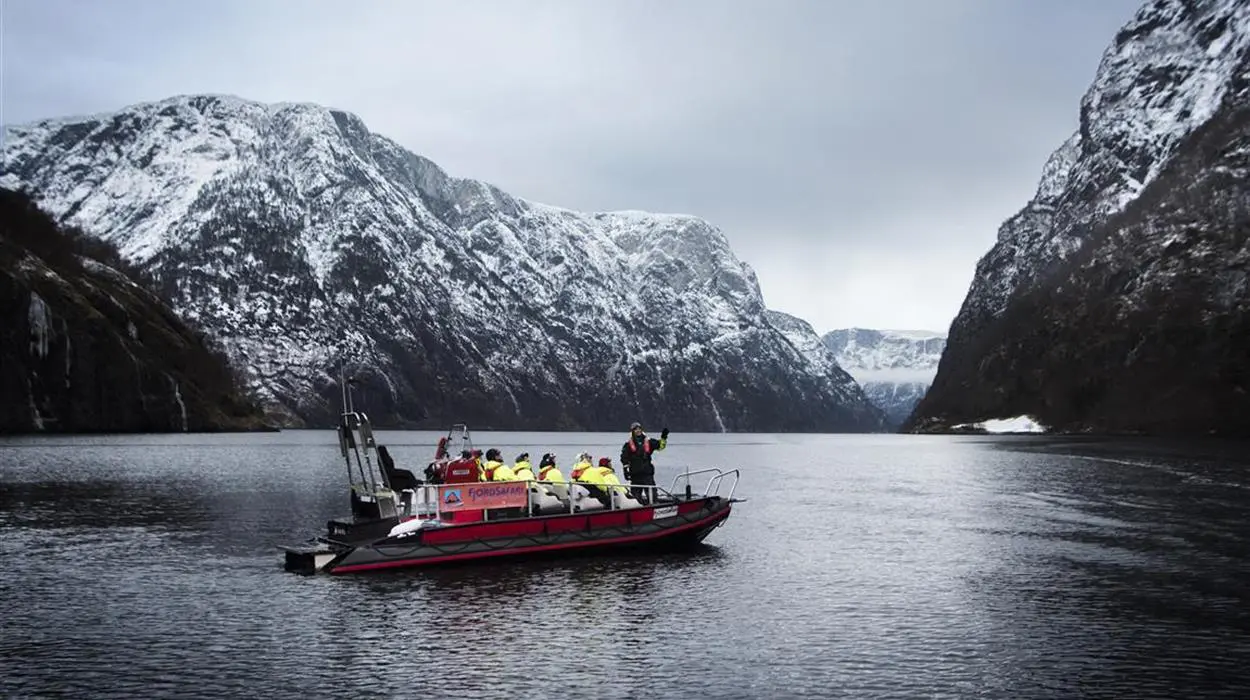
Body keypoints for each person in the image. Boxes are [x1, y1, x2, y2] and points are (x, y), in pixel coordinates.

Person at [620, 422, 668, 505]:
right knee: (635, 497)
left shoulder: (649, 441)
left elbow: (660, 446)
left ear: (641, 430)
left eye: (639, 428)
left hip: (647, 473)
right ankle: (637, 510)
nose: (638, 430)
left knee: (652, 495)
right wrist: (625, 470)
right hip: (635, 474)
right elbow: (624, 458)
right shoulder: (628, 445)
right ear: (632, 431)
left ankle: (654, 507)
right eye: (635, 429)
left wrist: (664, 437)